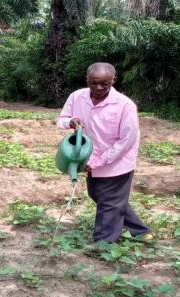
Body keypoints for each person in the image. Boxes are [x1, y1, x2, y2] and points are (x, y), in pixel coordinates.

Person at [56, 62, 152, 243]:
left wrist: (99, 161)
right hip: (89, 158)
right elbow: (61, 120)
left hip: (117, 161)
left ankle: (104, 243)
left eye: (105, 84)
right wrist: (70, 122)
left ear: (113, 81)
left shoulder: (125, 106)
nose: (99, 87)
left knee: (109, 202)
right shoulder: (77, 97)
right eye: (94, 83)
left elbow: (126, 141)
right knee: (100, 195)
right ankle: (139, 231)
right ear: (87, 79)